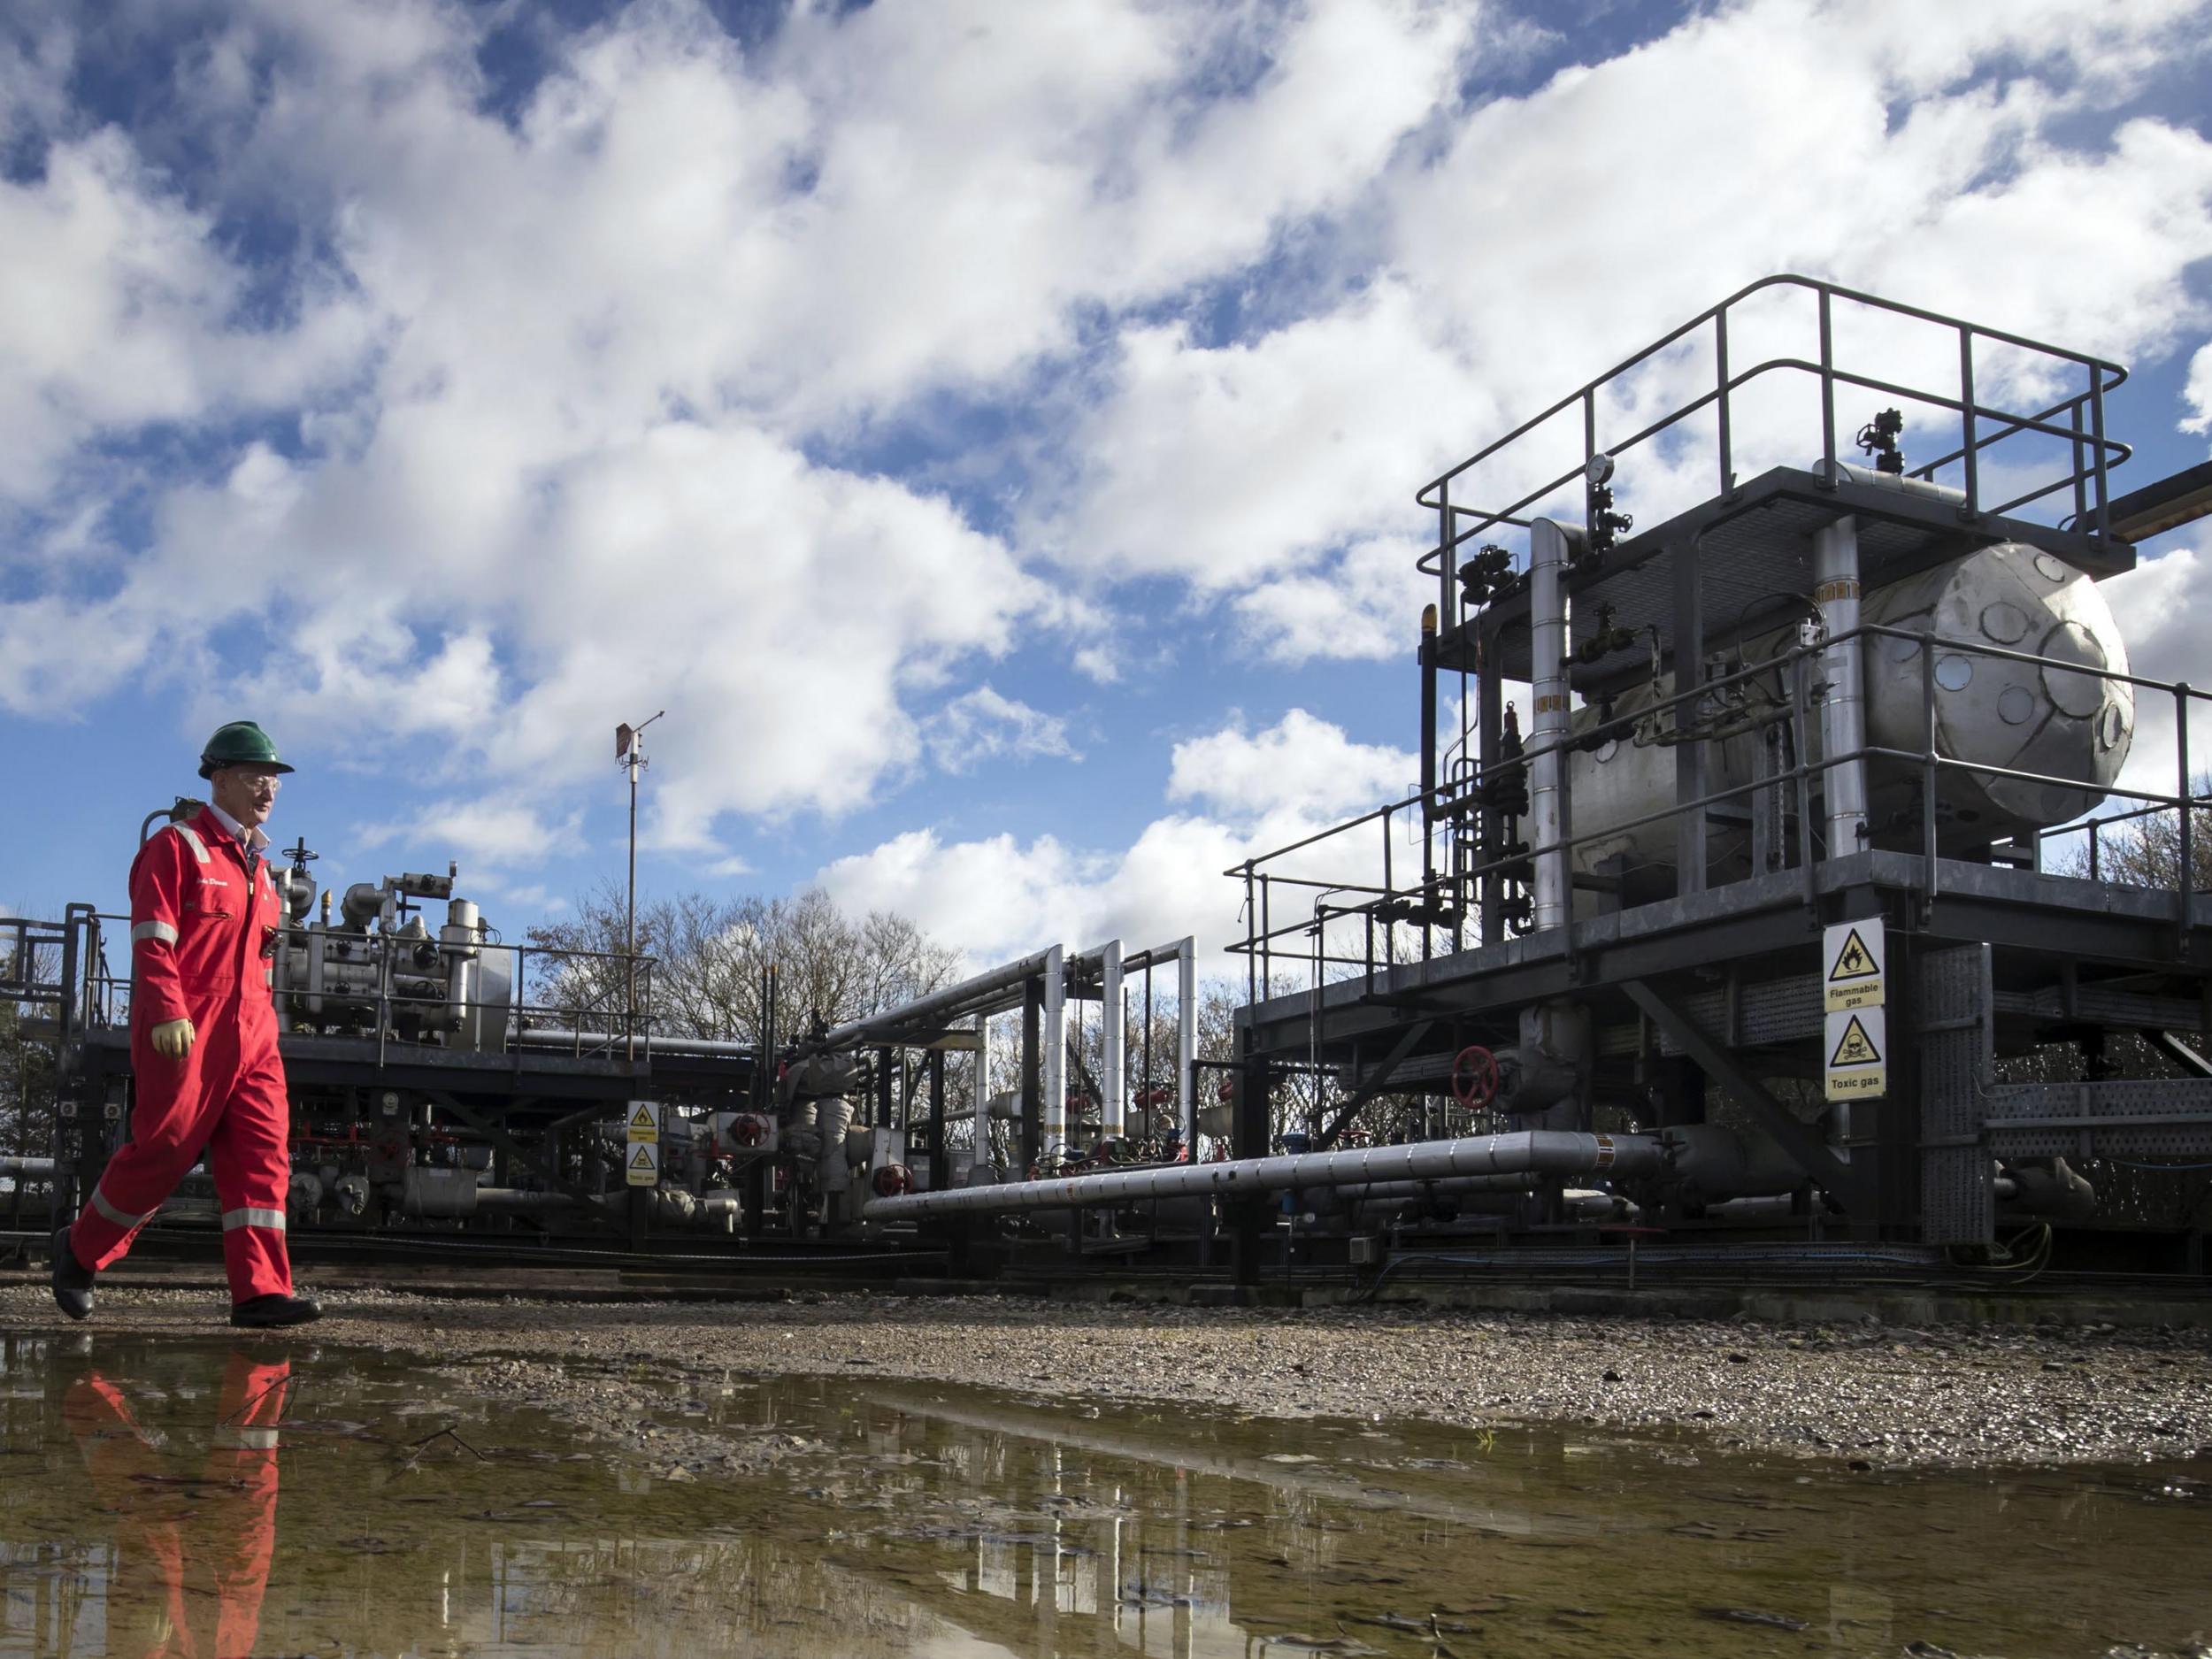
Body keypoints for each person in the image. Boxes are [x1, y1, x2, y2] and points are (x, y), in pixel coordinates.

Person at [52, 720, 321, 1328]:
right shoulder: (177, 848)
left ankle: (259, 1292)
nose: (268, 788)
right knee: (166, 1148)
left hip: (253, 1032)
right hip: (187, 1024)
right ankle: (79, 1248)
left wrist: (264, 1032)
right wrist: (168, 1008)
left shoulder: (263, 870)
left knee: (263, 1155)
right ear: (220, 779)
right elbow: (152, 939)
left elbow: (261, 961)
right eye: (256, 775)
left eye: (274, 778)